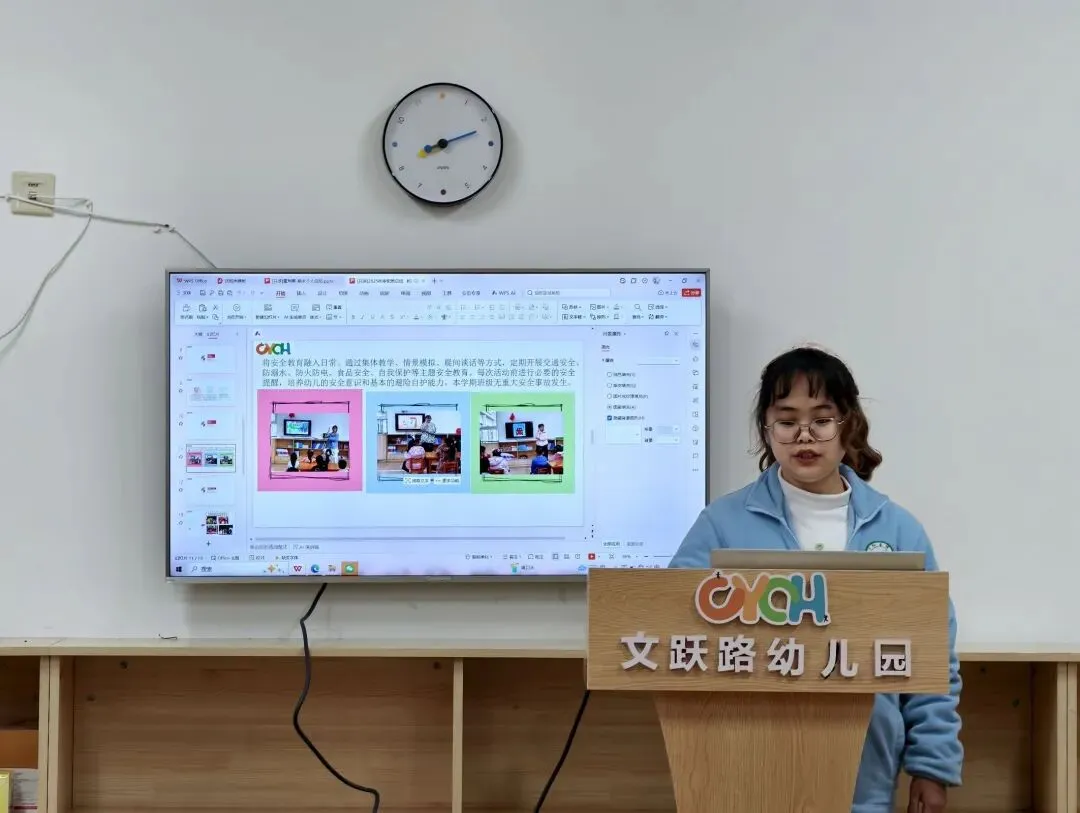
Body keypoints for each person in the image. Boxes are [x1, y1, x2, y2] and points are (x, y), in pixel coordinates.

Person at [669, 346, 962, 813]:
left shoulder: (898, 529)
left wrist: (932, 766)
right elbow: (672, 628)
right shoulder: (721, 523)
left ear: (849, 425)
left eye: (822, 420)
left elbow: (932, 658)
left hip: (864, 778)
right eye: (787, 421)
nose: (804, 435)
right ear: (766, 430)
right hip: (742, 771)